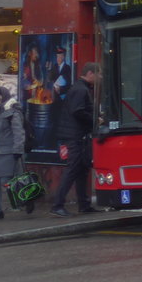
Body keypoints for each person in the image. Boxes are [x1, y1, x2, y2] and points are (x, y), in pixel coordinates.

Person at [49, 62, 101, 217]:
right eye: (99, 74)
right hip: (75, 135)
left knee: (81, 170)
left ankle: (84, 204)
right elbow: (77, 111)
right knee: (73, 169)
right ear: (90, 74)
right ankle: (57, 205)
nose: (100, 77)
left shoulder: (81, 88)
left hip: (76, 134)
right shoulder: (81, 89)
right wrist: (95, 119)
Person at [0, 86, 26, 220]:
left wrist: (18, 150)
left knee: (6, 182)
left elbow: (19, 132)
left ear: (3, 97)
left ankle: (25, 200)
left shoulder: (11, 112)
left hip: (7, 154)